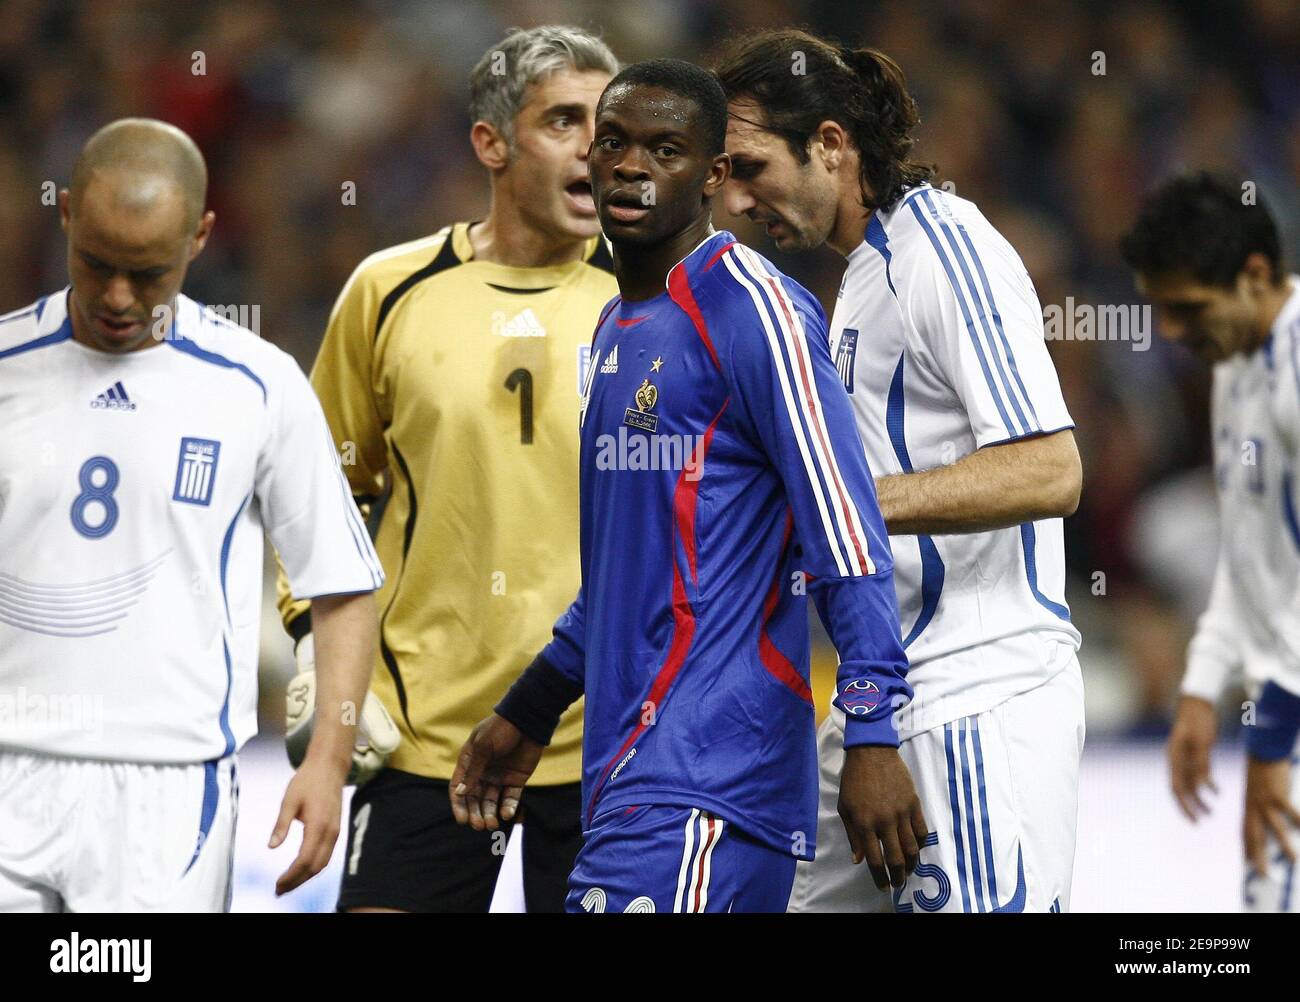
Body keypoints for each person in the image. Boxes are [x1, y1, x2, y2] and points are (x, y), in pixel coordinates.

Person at [451, 58, 924, 913]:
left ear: (711, 176)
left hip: (710, 783)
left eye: (665, 150)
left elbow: (843, 526)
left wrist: (873, 728)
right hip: (629, 784)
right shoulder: (613, 327)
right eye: (616, 144)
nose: (633, 166)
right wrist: (528, 712)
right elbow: (631, 578)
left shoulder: (751, 306)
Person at [715, 29, 1085, 913]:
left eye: (750, 167)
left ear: (833, 146)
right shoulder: (860, 279)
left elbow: (1051, 468)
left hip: (977, 695)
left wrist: (847, 506)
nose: (733, 201)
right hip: (879, 700)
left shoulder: (945, 250)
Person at [274, 25, 620, 913]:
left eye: (609, 125)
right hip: (428, 736)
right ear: (491, 143)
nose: (597, 148)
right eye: (564, 122)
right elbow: (320, 494)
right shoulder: (389, 290)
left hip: (609, 742)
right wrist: (315, 643)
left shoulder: (654, 299)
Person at [0, 118, 382, 912]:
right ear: (65, 213)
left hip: (169, 792)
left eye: (147, 273)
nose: (116, 297)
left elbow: (341, 587)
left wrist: (327, 762)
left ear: (201, 236)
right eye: (97, 264)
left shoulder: (258, 384)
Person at [1122, 171, 1300, 913]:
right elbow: (1251, 558)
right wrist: (1200, 687)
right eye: (1159, 309)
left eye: (1187, 308)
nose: (1170, 332)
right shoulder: (1236, 368)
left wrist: (1269, 744)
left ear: (1255, 275)